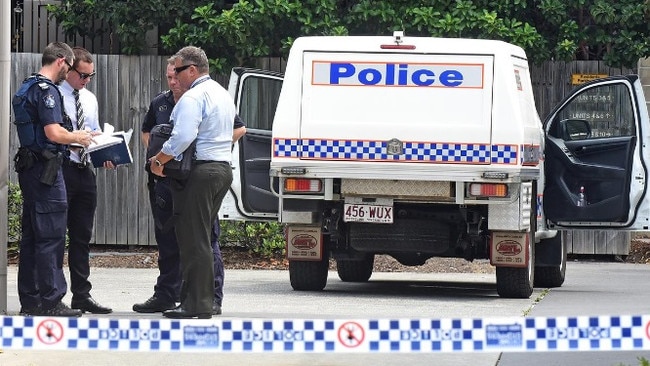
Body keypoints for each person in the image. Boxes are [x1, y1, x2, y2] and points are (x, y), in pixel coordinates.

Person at [135, 58, 245, 316]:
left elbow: (182, 136)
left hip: (200, 172)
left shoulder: (193, 96)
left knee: (193, 241)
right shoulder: (221, 93)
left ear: (192, 70)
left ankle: (196, 304)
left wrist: (159, 160)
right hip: (221, 169)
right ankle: (203, 301)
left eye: (179, 72)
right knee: (203, 239)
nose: (175, 78)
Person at [13, 42, 94, 317]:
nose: (68, 73)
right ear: (61, 61)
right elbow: (53, 133)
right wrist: (78, 137)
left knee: (33, 236)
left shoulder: (26, 86)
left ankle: (31, 300)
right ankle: (52, 300)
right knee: (51, 235)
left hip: (32, 170)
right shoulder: (46, 91)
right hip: (46, 171)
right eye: (69, 67)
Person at [58, 46, 113, 314]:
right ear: (68, 70)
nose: (86, 81)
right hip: (63, 169)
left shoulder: (89, 98)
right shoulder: (55, 95)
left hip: (85, 169)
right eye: (82, 75)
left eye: (90, 76)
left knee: (82, 236)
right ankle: (53, 294)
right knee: (57, 234)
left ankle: (82, 294)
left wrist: (106, 149)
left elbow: (93, 131)